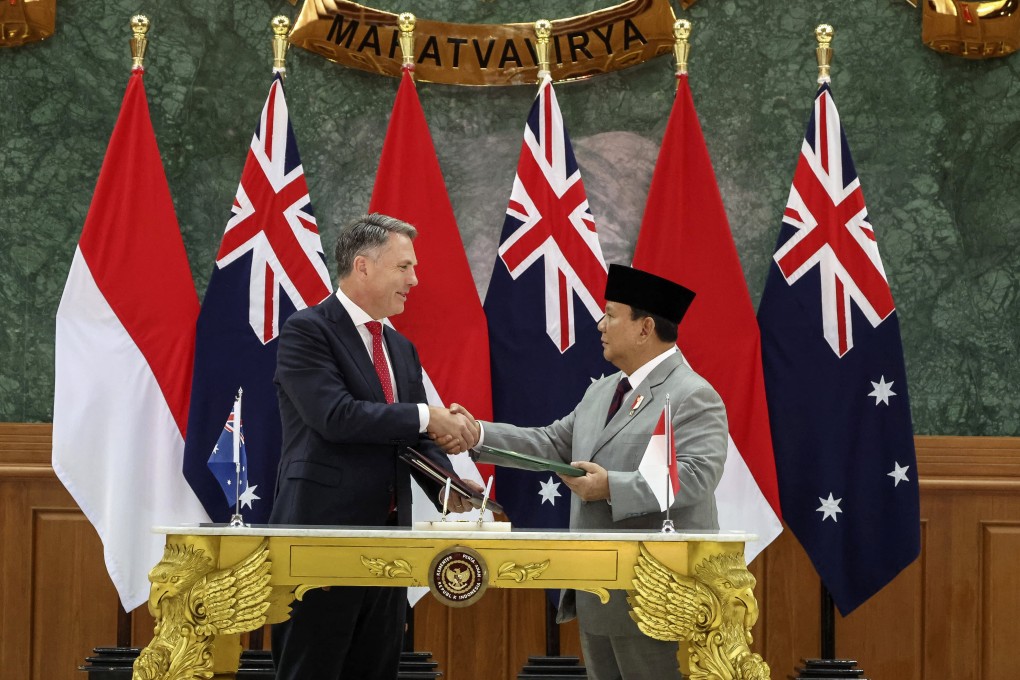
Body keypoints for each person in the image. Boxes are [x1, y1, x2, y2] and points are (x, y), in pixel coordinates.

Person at [442, 264, 728, 680]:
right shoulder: (604, 390)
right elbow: (550, 444)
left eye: (611, 314)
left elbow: (696, 475)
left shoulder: (693, 394)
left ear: (645, 328)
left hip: (658, 595)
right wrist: (476, 434)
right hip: (599, 590)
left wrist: (610, 487)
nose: (600, 324)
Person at [269, 213, 480, 680]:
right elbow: (336, 416)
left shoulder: (400, 347)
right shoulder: (307, 331)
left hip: (389, 544)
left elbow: (407, 436)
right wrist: (429, 416)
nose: (415, 279)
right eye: (403, 267)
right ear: (362, 267)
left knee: (376, 669)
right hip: (320, 538)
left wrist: (447, 484)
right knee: (312, 668)